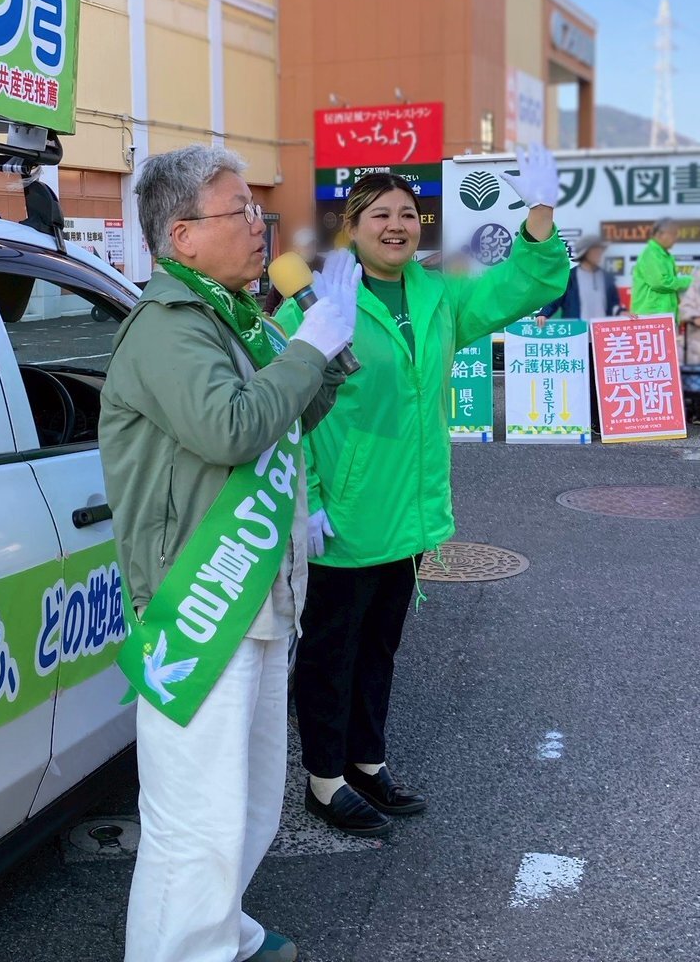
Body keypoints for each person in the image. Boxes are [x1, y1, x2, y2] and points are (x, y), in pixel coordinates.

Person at [99, 144, 359, 962]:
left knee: (247, 804)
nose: (258, 226)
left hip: (260, 595)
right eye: (239, 211)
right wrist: (308, 347)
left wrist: (326, 342)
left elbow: (289, 414)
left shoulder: (233, 317)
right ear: (182, 235)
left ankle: (222, 935)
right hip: (201, 601)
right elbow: (232, 428)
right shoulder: (169, 328)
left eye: (256, 209)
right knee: (194, 819)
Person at [279, 145, 570, 837]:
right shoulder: (317, 303)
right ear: (350, 227)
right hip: (343, 514)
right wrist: (307, 499)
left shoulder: (439, 296)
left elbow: (520, 287)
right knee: (329, 653)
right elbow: (287, 411)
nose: (396, 225)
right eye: (379, 214)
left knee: (379, 646)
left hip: (408, 511)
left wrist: (539, 213)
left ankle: (365, 762)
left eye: (407, 214)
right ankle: (323, 780)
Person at [538, 234, 622, 322]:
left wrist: (621, 312)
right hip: (577, 328)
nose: (599, 254)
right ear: (584, 253)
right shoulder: (570, 277)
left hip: (601, 328)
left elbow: (613, 304)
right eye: (595, 251)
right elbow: (555, 299)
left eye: (600, 251)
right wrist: (543, 314)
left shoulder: (607, 277)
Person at [631, 219, 692, 319]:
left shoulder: (663, 255)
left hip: (663, 316)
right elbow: (661, 283)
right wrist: (690, 281)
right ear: (660, 234)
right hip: (652, 317)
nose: (676, 238)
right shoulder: (651, 254)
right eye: (673, 234)